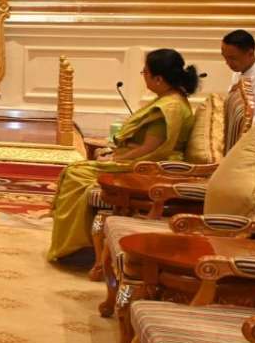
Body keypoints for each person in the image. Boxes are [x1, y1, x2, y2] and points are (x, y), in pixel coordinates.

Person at [46, 48, 198, 262]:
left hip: (150, 166)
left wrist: (116, 159)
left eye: (145, 72)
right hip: (144, 160)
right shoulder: (170, 99)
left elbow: (151, 149)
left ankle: (76, 246)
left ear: (158, 78)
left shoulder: (170, 107)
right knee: (76, 169)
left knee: (76, 174)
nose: (143, 76)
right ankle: (77, 241)